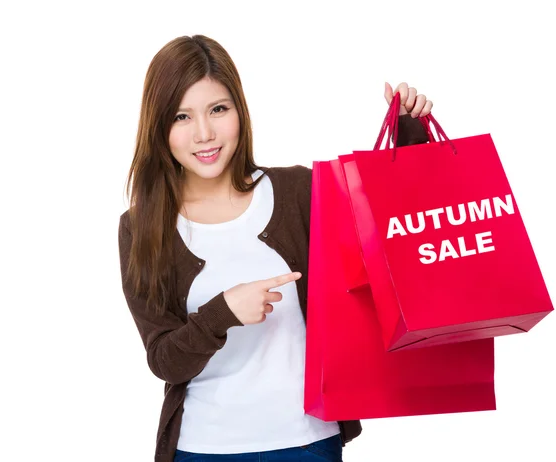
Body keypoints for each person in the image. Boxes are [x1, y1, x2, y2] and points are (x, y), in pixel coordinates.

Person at [118, 35, 432, 462]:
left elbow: (393, 241)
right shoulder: (142, 227)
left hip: (307, 442)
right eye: (181, 116)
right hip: (203, 449)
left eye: (218, 109)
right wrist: (222, 312)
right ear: (160, 127)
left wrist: (411, 142)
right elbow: (164, 360)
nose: (204, 134)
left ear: (239, 111)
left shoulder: (297, 192)